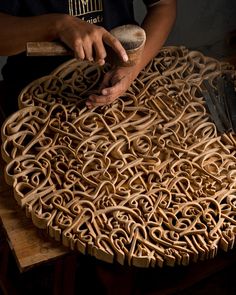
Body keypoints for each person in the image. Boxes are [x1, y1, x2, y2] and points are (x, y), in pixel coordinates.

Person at [0, 0, 176, 116]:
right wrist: (57, 25)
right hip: (35, 99)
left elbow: (164, 5)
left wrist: (131, 68)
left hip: (121, 94)